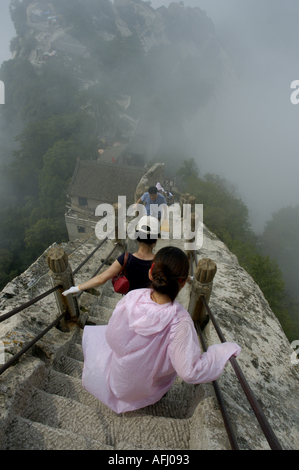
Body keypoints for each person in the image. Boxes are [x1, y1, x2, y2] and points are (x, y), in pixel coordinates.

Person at [82, 246, 241, 414]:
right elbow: (189, 373)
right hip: (146, 389)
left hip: (119, 380)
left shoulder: (132, 298)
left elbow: (112, 337)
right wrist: (223, 352)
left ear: (151, 272)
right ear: (183, 282)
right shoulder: (180, 321)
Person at [62, 216, 158, 296]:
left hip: (129, 303)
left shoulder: (126, 258)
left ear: (137, 238)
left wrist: (78, 288)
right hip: (150, 304)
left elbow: (101, 278)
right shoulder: (159, 262)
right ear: (155, 240)